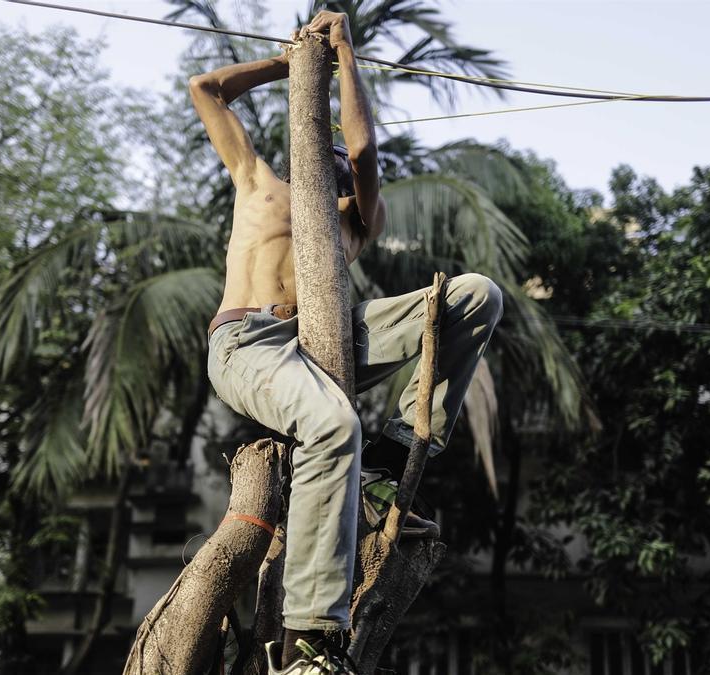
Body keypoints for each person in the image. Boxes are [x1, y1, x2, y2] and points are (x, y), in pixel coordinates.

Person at [190, 10, 503, 674]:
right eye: (324, 148)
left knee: (477, 294)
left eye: (340, 153)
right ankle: (310, 637)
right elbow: (206, 89)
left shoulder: (358, 220)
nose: (336, 154)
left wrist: (345, 54)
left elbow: (361, 153)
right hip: (249, 342)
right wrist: (290, 63)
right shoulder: (259, 185)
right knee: (332, 426)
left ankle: (390, 457)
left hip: (327, 338)